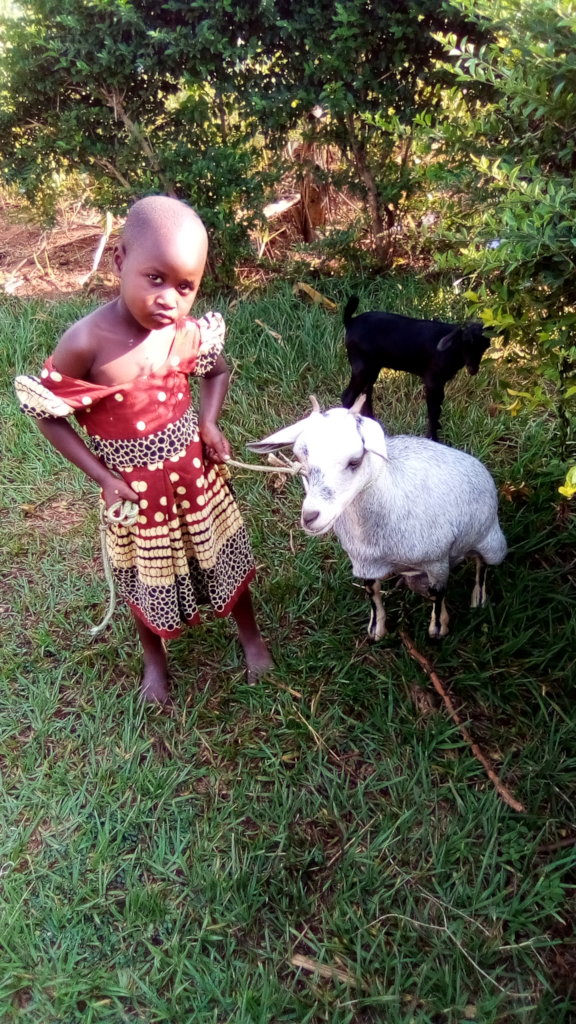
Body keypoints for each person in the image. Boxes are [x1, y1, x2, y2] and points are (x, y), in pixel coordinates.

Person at [15, 195, 273, 703]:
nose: (169, 299)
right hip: (136, 495)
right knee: (146, 577)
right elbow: (47, 414)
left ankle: (250, 635)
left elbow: (216, 371)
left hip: (197, 480)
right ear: (120, 261)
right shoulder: (85, 343)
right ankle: (154, 660)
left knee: (222, 552)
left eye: (185, 287)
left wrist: (209, 422)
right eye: (155, 278)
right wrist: (104, 478)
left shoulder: (182, 333)